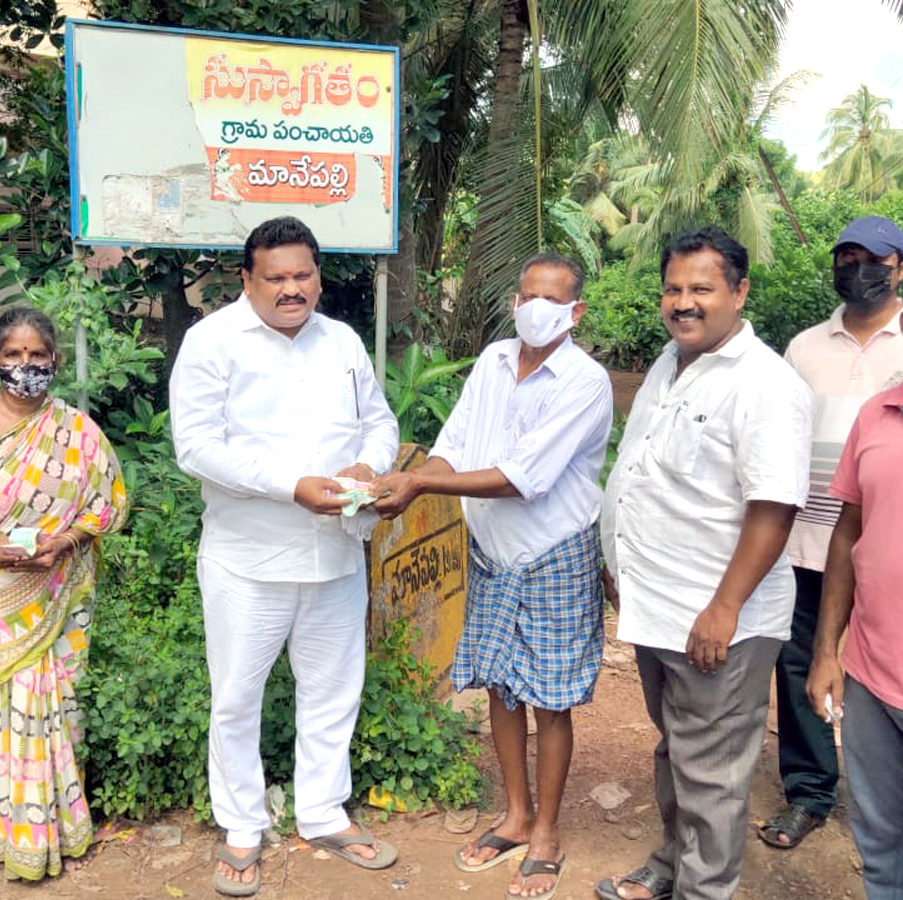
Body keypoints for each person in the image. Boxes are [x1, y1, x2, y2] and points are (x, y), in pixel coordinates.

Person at [169, 216, 400, 897]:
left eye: (302, 275)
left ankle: (323, 812)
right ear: (247, 280)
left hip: (336, 553)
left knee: (332, 691)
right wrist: (289, 486)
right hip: (249, 560)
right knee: (237, 699)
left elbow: (379, 420)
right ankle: (242, 825)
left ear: (319, 278)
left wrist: (367, 465)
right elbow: (196, 447)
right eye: (275, 277)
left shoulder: (343, 342)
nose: (290, 289)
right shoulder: (211, 342)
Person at [372, 253, 612, 900]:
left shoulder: (585, 382)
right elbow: (454, 445)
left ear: (575, 312)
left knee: (550, 699)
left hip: (552, 553)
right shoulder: (493, 361)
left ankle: (547, 832)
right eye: (528, 295)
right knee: (502, 689)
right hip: (492, 553)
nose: (537, 308)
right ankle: (515, 814)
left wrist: (420, 485)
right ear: (514, 302)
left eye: (552, 299)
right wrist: (418, 476)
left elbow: (522, 478)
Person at [595, 227, 811, 900]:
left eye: (701, 289)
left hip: (718, 619)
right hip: (658, 606)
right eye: (673, 288)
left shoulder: (766, 384)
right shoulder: (671, 361)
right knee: (678, 747)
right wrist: (620, 563)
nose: (683, 302)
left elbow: (773, 509)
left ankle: (703, 888)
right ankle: (672, 864)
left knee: (712, 771)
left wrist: (725, 607)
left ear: (739, 293)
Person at [0, 307, 128, 881]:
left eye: (37, 355)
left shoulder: (77, 432)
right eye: (13, 354)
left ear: (55, 361)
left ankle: (56, 822)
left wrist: (66, 541)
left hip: (57, 586)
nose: (26, 365)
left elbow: (105, 506)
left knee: (57, 699)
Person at [762, 215, 903, 850]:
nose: (856, 269)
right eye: (845, 258)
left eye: (871, 259)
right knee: (801, 661)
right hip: (807, 537)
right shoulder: (804, 347)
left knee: (881, 665)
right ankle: (811, 791)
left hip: (883, 545)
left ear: (898, 268)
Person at [806, 379, 903, 900]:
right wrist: (827, 652)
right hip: (871, 676)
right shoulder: (879, 412)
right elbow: (849, 530)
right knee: (880, 844)